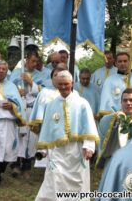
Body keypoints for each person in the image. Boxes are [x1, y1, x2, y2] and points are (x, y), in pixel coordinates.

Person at [35, 70, 99, 201]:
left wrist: (89, 146)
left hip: (77, 150)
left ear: (72, 83)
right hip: (57, 151)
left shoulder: (82, 103)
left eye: (66, 84)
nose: (63, 87)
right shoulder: (51, 104)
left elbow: (89, 127)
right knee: (55, 177)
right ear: (56, 84)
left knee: (78, 182)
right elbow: (47, 128)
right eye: (60, 84)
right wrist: (43, 150)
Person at [0, 60, 26, 188]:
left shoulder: (12, 86)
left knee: (7, 150)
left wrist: (12, 106)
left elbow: (19, 104)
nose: (1, 71)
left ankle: (0, 171)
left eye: (4, 69)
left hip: (9, 122)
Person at [9, 51, 43, 178]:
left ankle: (27, 166)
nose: (35, 64)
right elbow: (9, 87)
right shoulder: (17, 73)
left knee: (31, 138)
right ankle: (15, 165)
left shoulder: (41, 75)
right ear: (26, 60)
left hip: (32, 109)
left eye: (37, 62)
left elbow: (43, 92)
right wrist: (17, 91)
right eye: (32, 61)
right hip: (20, 109)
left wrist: (31, 82)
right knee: (19, 136)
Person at [96, 88, 132, 168]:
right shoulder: (114, 119)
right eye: (125, 100)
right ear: (121, 103)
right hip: (114, 163)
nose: (128, 103)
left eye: (131, 100)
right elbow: (102, 135)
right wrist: (114, 121)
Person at [97, 52, 132, 119]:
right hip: (116, 118)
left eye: (125, 61)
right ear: (116, 63)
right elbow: (106, 102)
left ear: (129, 62)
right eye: (120, 61)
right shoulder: (109, 80)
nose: (122, 63)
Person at [29, 64, 68, 134]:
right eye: (55, 75)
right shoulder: (44, 93)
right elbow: (39, 116)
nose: (58, 77)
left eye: (61, 75)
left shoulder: (71, 94)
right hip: (47, 130)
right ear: (51, 79)